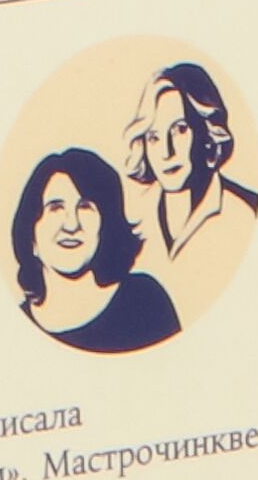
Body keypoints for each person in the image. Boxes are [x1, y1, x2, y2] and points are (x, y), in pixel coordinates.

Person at [10, 146, 179, 353]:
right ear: (31, 233)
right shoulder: (13, 325)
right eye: (55, 208)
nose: (71, 225)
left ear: (106, 224)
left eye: (84, 207)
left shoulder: (144, 302)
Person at [123, 61, 258, 285]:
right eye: (154, 137)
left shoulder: (247, 211)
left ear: (207, 132)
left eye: (180, 130)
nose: (166, 152)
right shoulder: (131, 216)